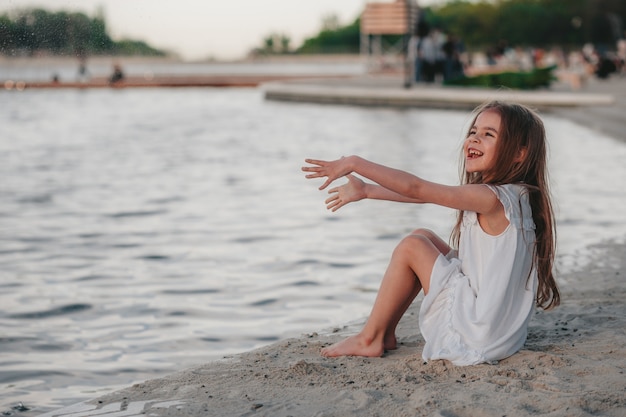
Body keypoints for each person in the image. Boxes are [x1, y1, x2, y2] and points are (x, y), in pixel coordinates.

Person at [302, 101, 560, 365]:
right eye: (473, 131)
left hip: (477, 333)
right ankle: (386, 333)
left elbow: (417, 188)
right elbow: (424, 197)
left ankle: (370, 338)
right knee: (422, 235)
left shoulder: (492, 198)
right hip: (501, 331)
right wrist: (368, 190)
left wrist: (354, 162)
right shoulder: (515, 194)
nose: (474, 138)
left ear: (519, 153)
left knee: (411, 246)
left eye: (488, 134)